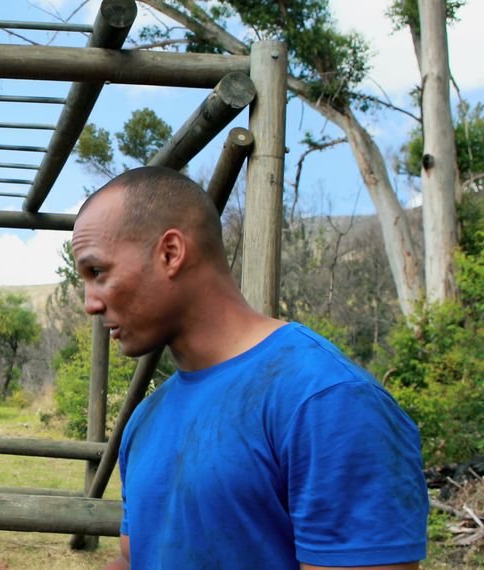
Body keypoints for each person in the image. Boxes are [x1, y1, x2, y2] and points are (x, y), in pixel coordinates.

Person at [70, 167, 428, 569]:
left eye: (97, 272)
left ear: (170, 253)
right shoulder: (146, 419)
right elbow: (137, 559)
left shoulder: (327, 401)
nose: (90, 303)